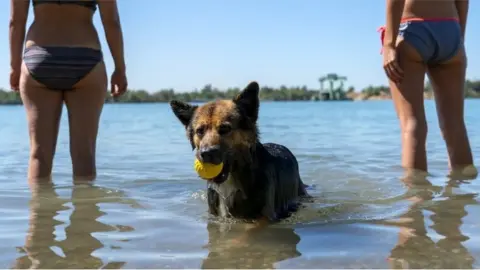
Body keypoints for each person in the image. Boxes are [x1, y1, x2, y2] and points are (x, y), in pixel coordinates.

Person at [9, 0, 127, 182]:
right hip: (85, 56)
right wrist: (120, 68)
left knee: (39, 154)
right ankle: (86, 208)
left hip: (39, 58)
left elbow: (16, 22)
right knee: (84, 154)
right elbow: (111, 22)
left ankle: (40, 209)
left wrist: (15, 67)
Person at [379, 0, 477, 177]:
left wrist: (389, 44)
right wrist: (458, 39)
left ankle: (417, 200)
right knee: (455, 125)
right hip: (451, 29)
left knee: (412, 124)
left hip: (413, 27)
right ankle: (463, 199)